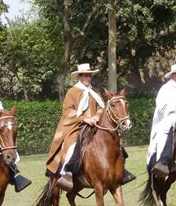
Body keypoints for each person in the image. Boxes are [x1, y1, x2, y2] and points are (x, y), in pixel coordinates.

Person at [46, 63, 136, 192]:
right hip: (77, 126)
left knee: (115, 142)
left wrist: (96, 117)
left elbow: (101, 107)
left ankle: (121, 170)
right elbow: (67, 111)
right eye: (87, 76)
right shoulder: (72, 92)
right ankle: (67, 173)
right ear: (80, 77)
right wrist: (85, 119)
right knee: (72, 146)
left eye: (90, 76)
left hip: (96, 124)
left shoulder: (95, 91)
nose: (89, 78)